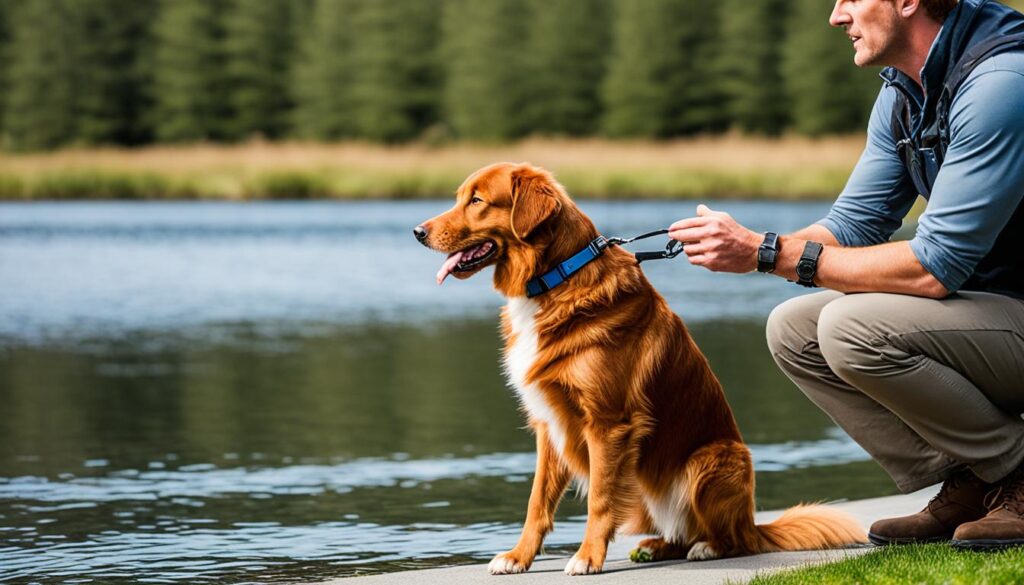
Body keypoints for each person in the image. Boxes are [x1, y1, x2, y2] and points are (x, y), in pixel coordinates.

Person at [668, 0, 1024, 549]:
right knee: (794, 330)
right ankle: (978, 480)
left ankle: (1015, 472)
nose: (836, 16)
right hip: (999, 309)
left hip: (1007, 308)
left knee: (851, 329)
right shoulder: (905, 90)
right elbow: (854, 225)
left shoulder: (1002, 83)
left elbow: (934, 267)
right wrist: (750, 245)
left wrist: (767, 254)